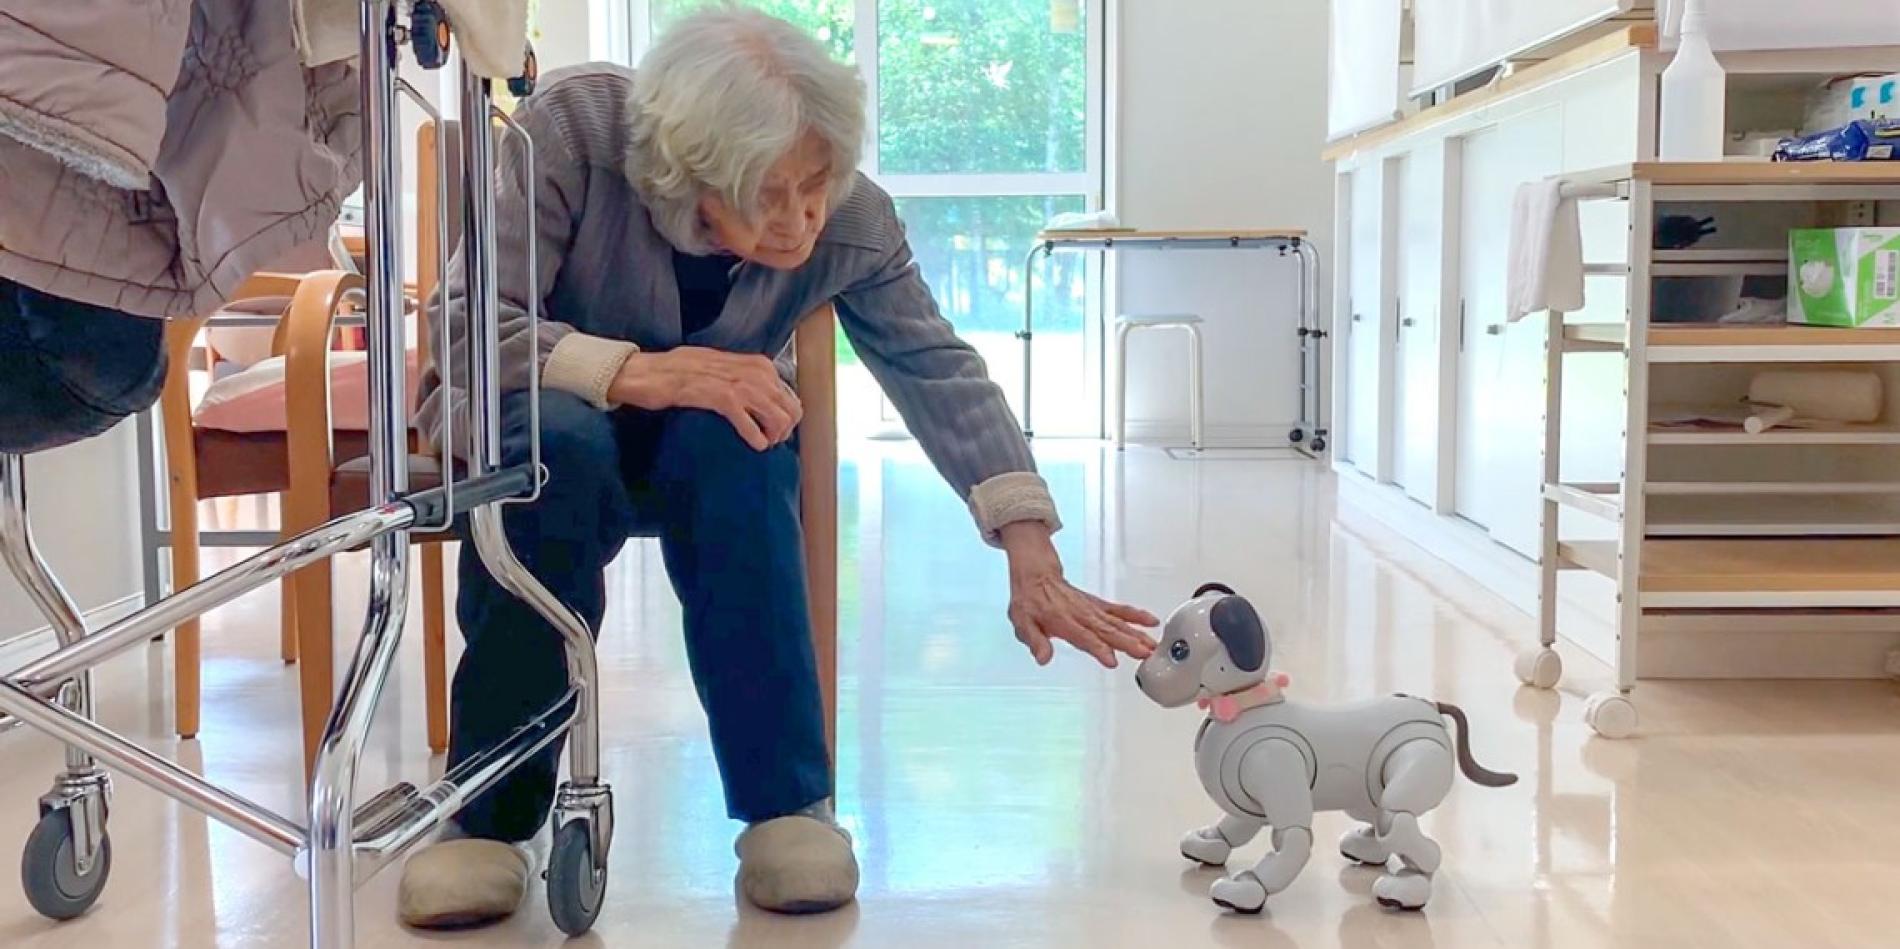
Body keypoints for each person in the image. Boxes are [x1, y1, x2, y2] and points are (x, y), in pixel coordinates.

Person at [396, 6, 1158, 928]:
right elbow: (469, 329)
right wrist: (644, 373)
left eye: (817, 183)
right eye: (771, 192)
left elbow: (937, 367)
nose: (802, 218)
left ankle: (787, 808)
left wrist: (1028, 544)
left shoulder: (849, 217)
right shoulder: (572, 129)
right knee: (558, 453)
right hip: (550, 419)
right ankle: (487, 815)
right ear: (692, 174)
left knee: (746, 444)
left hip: (710, 447)